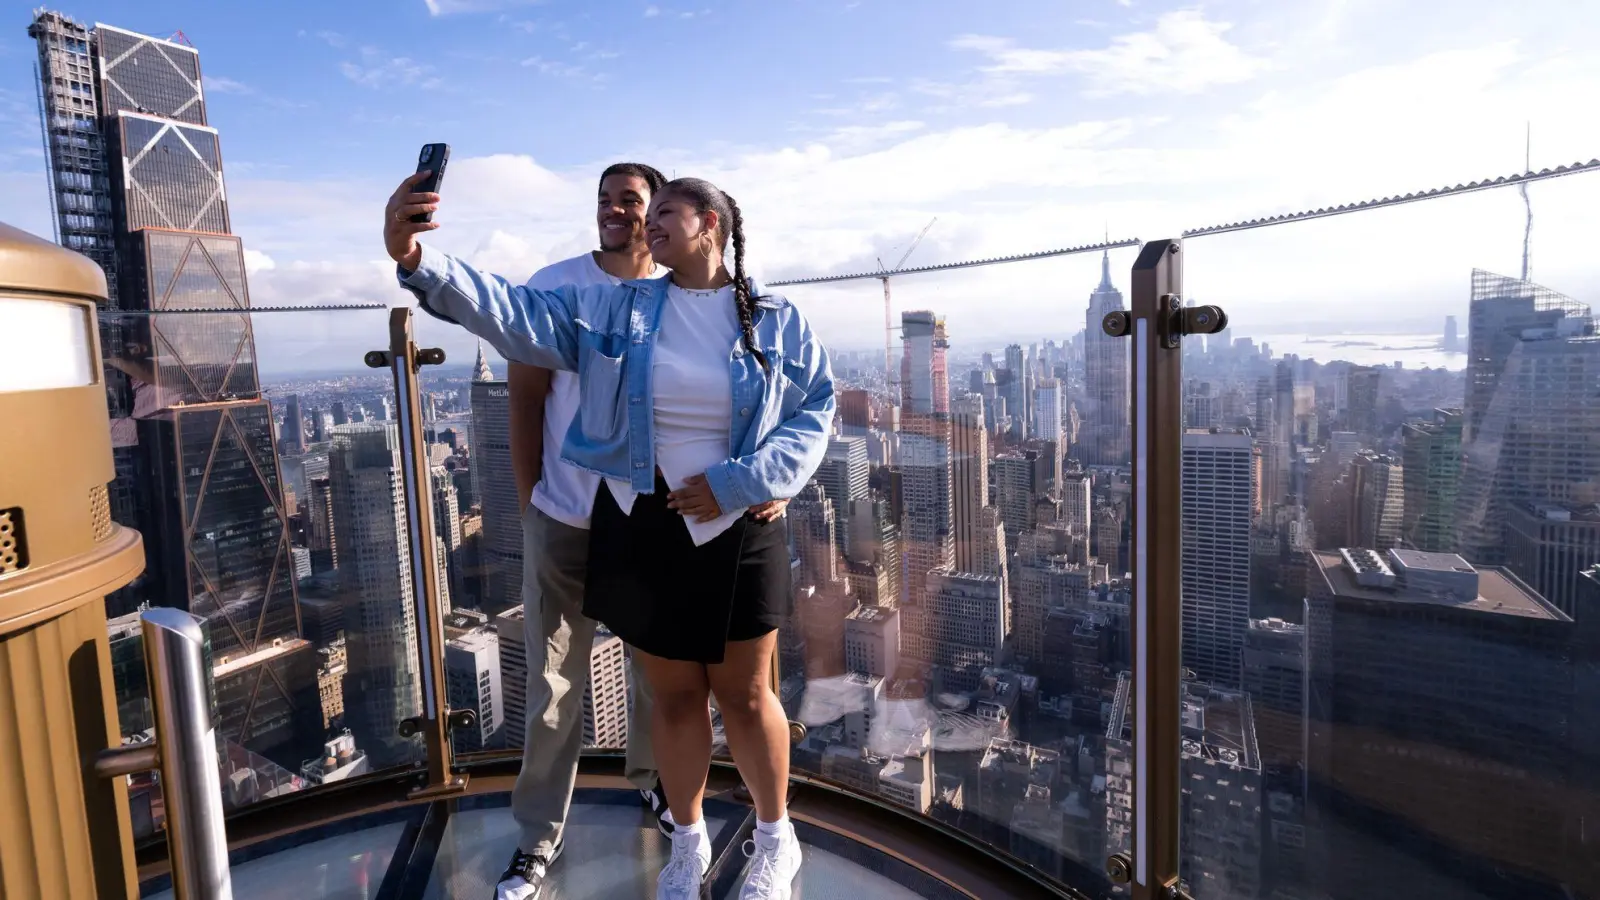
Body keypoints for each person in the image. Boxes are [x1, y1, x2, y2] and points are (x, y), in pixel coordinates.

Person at [385, 172, 833, 900]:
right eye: (644, 213)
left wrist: (752, 481)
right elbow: (519, 316)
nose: (649, 224)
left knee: (748, 697)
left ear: (712, 225)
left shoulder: (776, 317)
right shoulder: (619, 312)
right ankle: (687, 845)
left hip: (737, 525)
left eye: (667, 212)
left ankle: (775, 841)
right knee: (677, 700)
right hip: (645, 525)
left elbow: (815, 409)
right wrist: (417, 260)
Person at [497, 161, 682, 900]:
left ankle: (656, 786)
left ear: (656, 211)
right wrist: (530, 502)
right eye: (604, 200)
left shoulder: (679, 294)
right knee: (551, 684)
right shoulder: (555, 284)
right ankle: (538, 835)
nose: (613, 212)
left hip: (647, 520)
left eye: (629, 201)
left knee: (656, 671)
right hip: (565, 512)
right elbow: (523, 397)